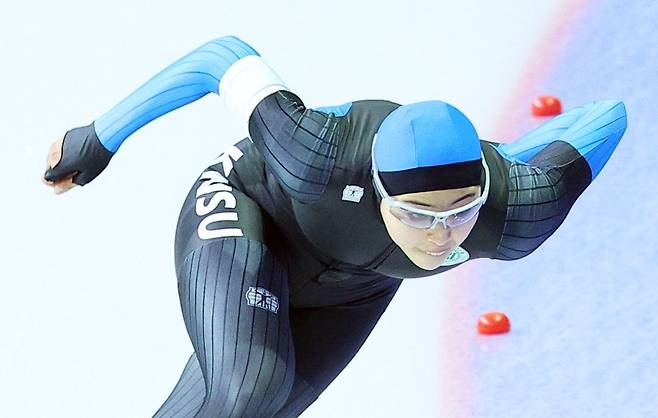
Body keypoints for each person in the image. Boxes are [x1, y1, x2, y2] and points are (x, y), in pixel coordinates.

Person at [42, 36, 628, 418]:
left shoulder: (517, 212)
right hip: (252, 210)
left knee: (254, 409)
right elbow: (223, 56)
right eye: (417, 214)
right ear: (375, 191)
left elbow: (609, 114)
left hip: (352, 286)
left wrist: (504, 160)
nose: (440, 235)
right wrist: (99, 136)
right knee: (251, 389)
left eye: (460, 211)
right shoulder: (314, 155)